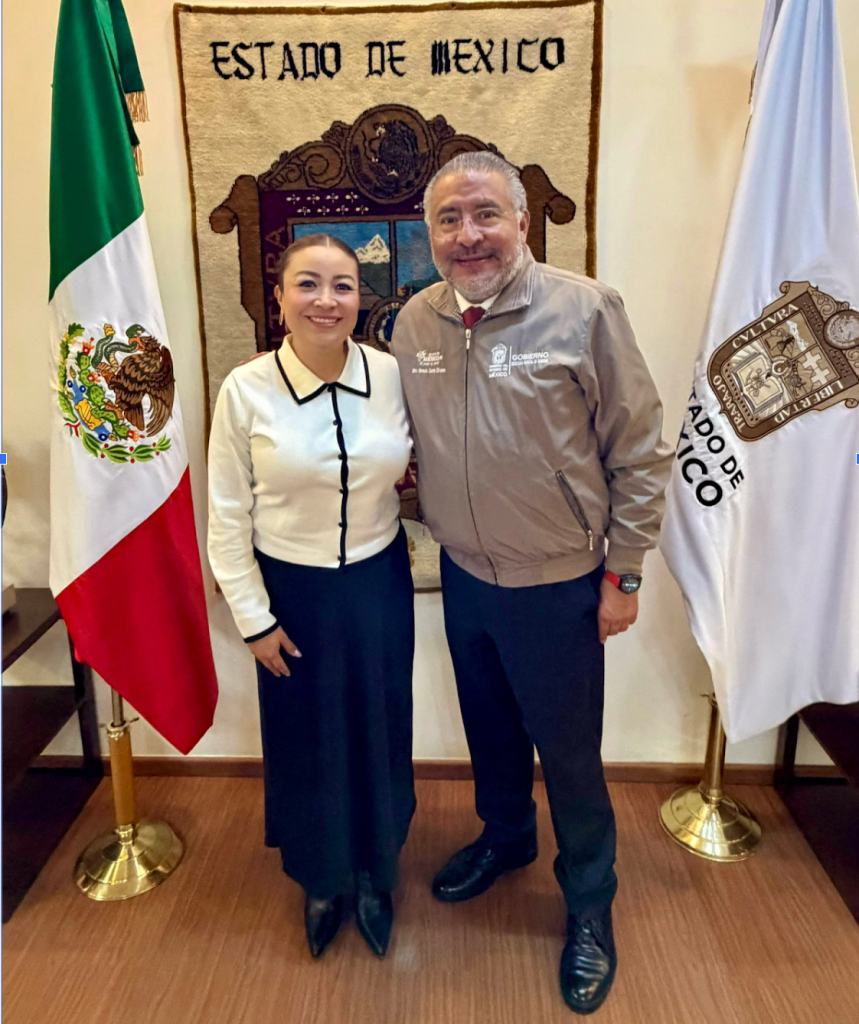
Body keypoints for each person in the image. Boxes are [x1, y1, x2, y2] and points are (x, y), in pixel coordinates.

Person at [391, 152, 673, 1014]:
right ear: (429, 235)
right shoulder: (413, 322)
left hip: (559, 583)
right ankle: (506, 837)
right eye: (448, 219)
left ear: (520, 220)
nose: (467, 234)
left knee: (570, 755)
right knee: (491, 731)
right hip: (465, 576)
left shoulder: (584, 309)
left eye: (485, 213)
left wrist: (624, 572)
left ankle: (588, 901)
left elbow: (640, 449)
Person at [208, 234, 415, 960]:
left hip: (378, 585)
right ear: (280, 297)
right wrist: (253, 619)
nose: (326, 300)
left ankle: (377, 872)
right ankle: (322, 878)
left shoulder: (390, 374)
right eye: (307, 284)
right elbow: (226, 516)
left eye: (342, 286)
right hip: (290, 594)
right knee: (308, 739)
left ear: (361, 299)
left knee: (380, 727)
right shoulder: (246, 390)